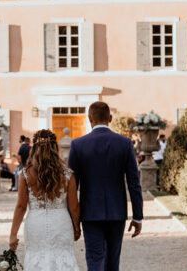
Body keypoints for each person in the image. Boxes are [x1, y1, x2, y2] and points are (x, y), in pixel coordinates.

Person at [69, 101, 143, 271]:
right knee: (112, 261)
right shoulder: (124, 143)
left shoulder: (78, 145)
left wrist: (72, 220)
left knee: (95, 258)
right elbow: (134, 183)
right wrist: (137, 216)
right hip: (117, 212)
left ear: (89, 119)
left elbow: (71, 186)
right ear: (110, 118)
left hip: (90, 212)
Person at [9, 129, 80, 270]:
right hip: (61, 223)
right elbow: (74, 206)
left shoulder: (25, 174)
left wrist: (13, 234)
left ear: (34, 149)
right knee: (63, 259)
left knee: (37, 259)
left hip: (36, 223)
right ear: (55, 148)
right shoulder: (67, 174)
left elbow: (21, 206)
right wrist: (77, 227)